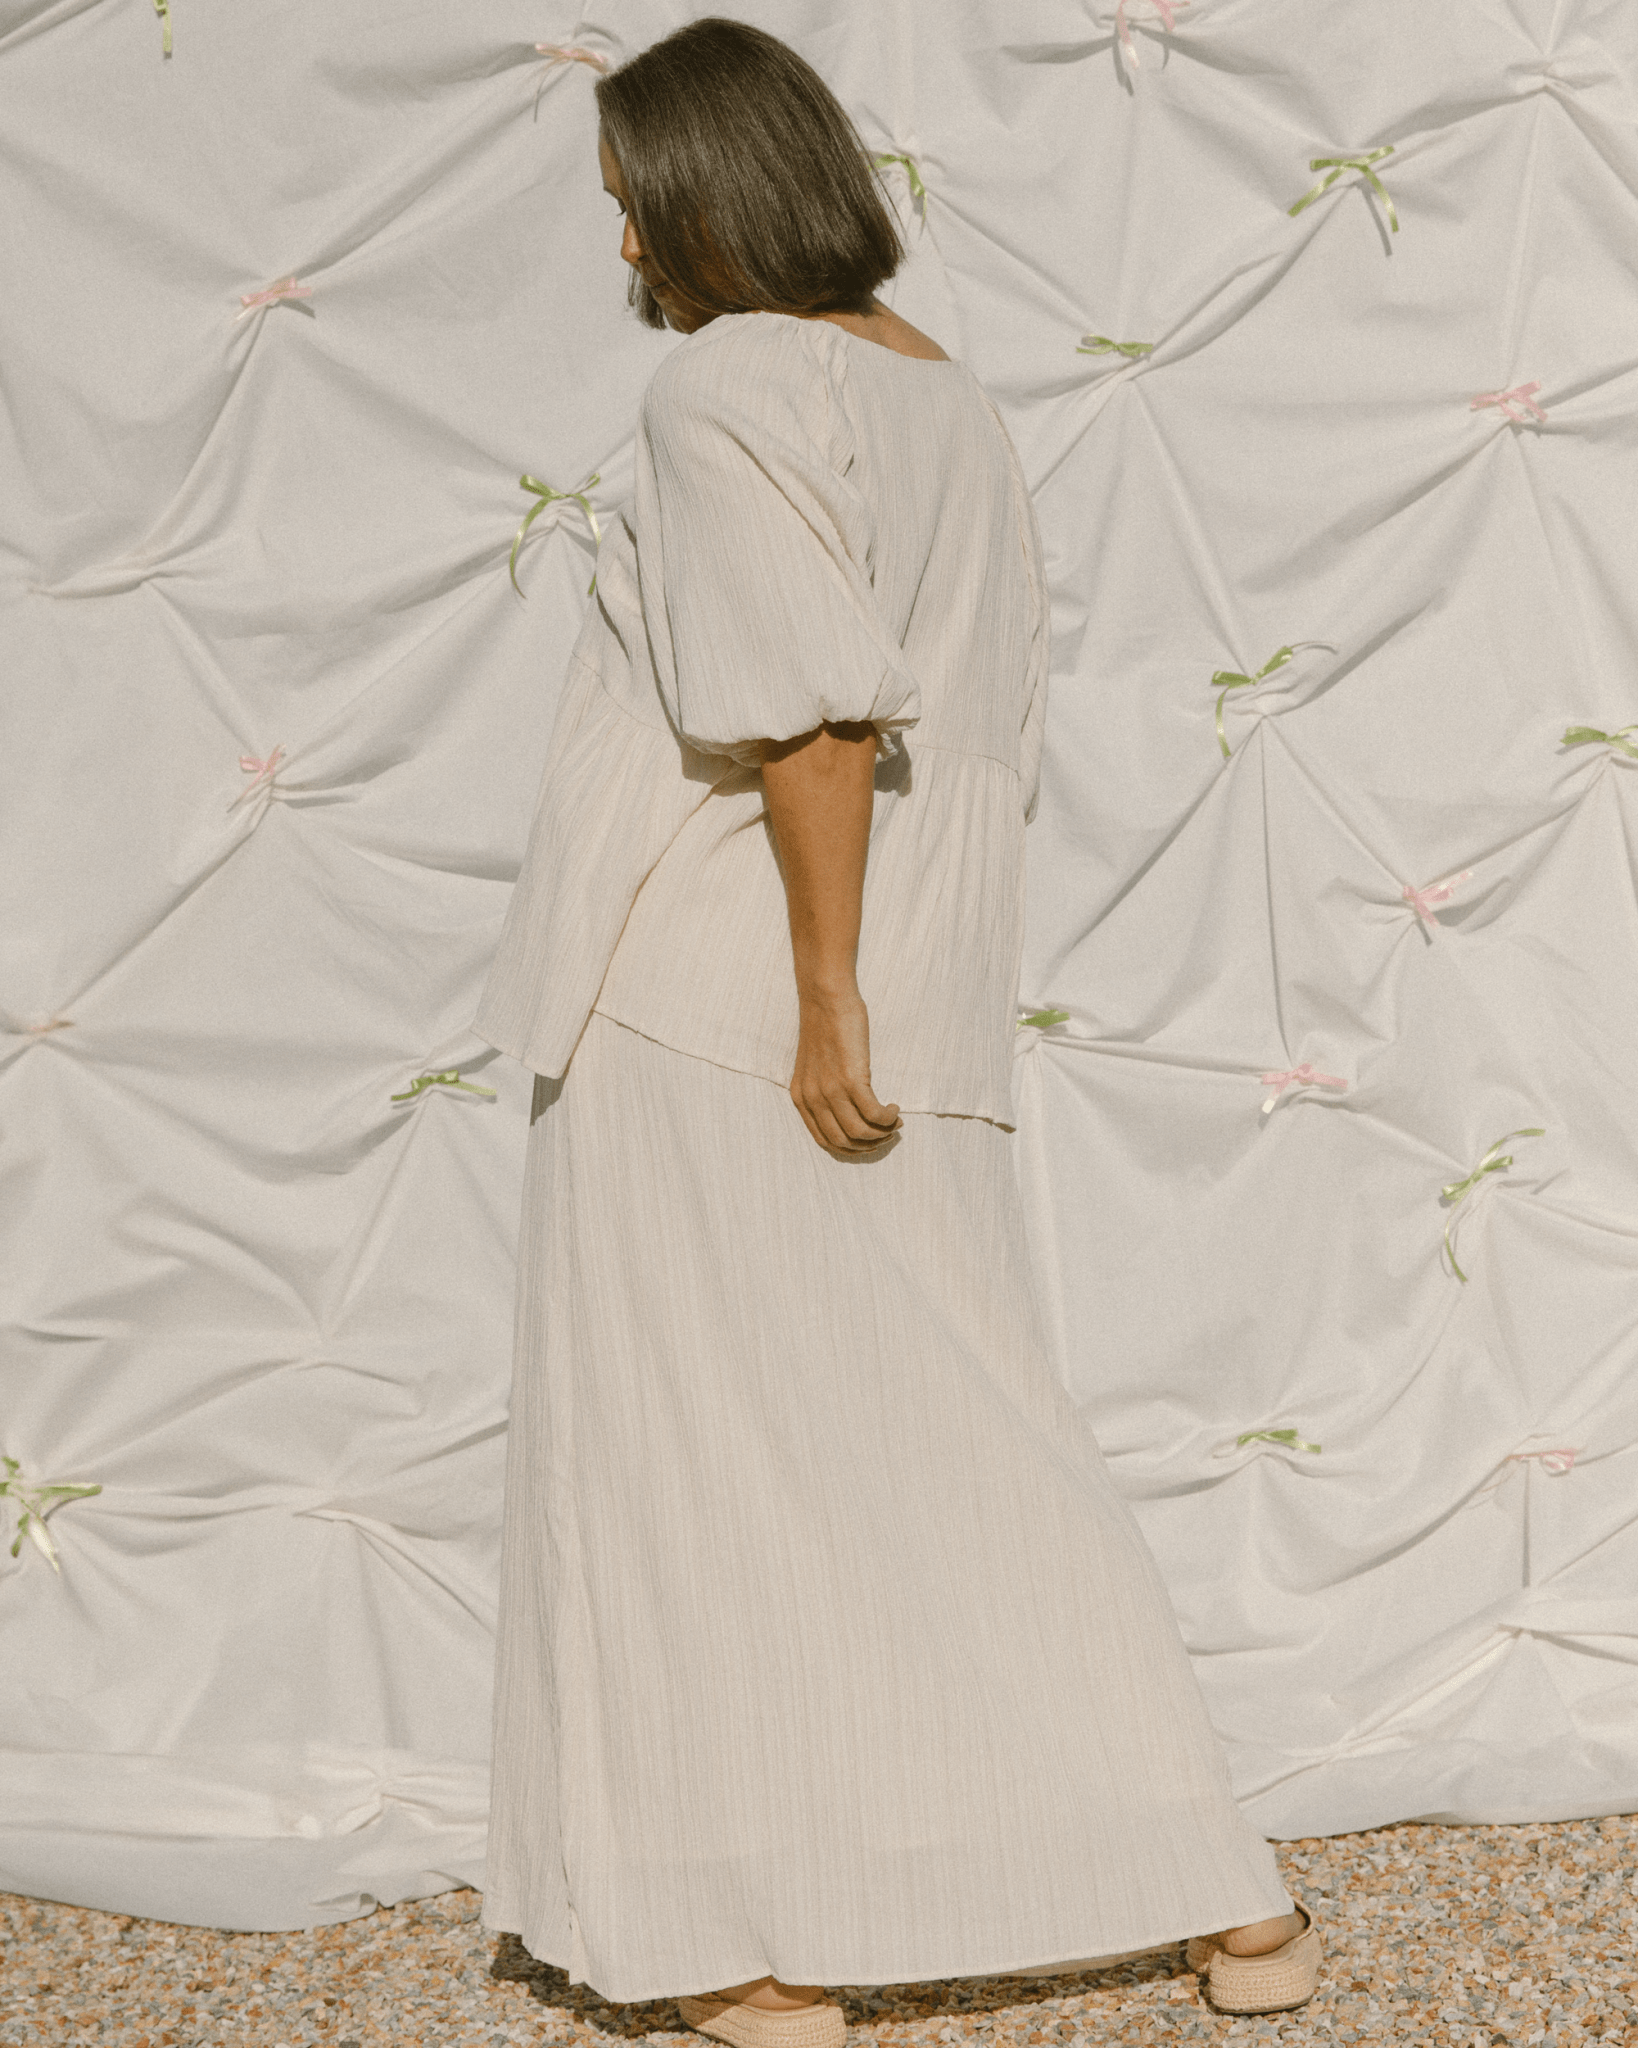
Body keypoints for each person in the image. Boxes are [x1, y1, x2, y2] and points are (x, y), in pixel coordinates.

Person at [472, 17, 1324, 2043]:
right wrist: (870, 991)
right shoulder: (942, 394)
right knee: (954, 1430)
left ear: (702, 196)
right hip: (898, 994)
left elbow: (816, 714)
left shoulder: (724, 386)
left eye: (630, 197)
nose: (617, 238)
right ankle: (1231, 1901)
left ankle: (753, 1947)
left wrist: (821, 992)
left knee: (692, 1461)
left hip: (722, 998)